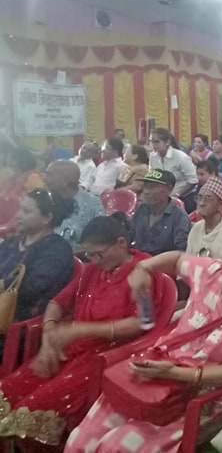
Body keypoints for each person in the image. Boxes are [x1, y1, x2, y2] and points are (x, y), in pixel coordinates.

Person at [66, 232, 222, 453]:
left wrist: (177, 374)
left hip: (199, 396)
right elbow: (177, 259)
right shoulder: (211, 272)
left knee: (115, 446)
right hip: (156, 371)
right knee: (79, 442)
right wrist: (143, 268)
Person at [0, 215, 164, 446]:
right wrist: (49, 336)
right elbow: (57, 303)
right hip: (72, 348)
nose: (94, 260)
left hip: (108, 356)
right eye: (89, 255)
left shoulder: (142, 273)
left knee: (32, 410)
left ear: (120, 243)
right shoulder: (93, 270)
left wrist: (81, 329)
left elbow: (142, 323)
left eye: (98, 254)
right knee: (7, 391)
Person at [0, 189, 74, 353]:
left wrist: (2, 284)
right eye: (20, 209)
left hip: (18, 323)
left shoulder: (57, 250)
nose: (18, 215)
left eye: (26, 211)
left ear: (47, 218)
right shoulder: (12, 242)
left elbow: (31, 288)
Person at [45, 160, 106, 249]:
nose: (44, 179)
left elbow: (100, 243)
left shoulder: (92, 204)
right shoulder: (45, 201)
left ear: (65, 181)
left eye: (49, 175)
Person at [130, 169, 191, 256]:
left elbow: (181, 252)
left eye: (152, 187)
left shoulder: (179, 216)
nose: (146, 191)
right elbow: (129, 236)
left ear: (169, 189)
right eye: (145, 187)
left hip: (165, 262)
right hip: (139, 258)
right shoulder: (141, 209)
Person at [187, 176, 222, 262]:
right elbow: (187, 262)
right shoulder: (196, 228)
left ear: (221, 205)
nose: (201, 203)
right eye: (199, 197)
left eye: (208, 198)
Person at [149, 128, 199, 200]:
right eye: (151, 141)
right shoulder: (152, 156)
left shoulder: (181, 157)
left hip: (184, 196)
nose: (153, 145)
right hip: (162, 196)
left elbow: (193, 180)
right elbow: (152, 176)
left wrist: (177, 194)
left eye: (157, 142)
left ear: (167, 142)